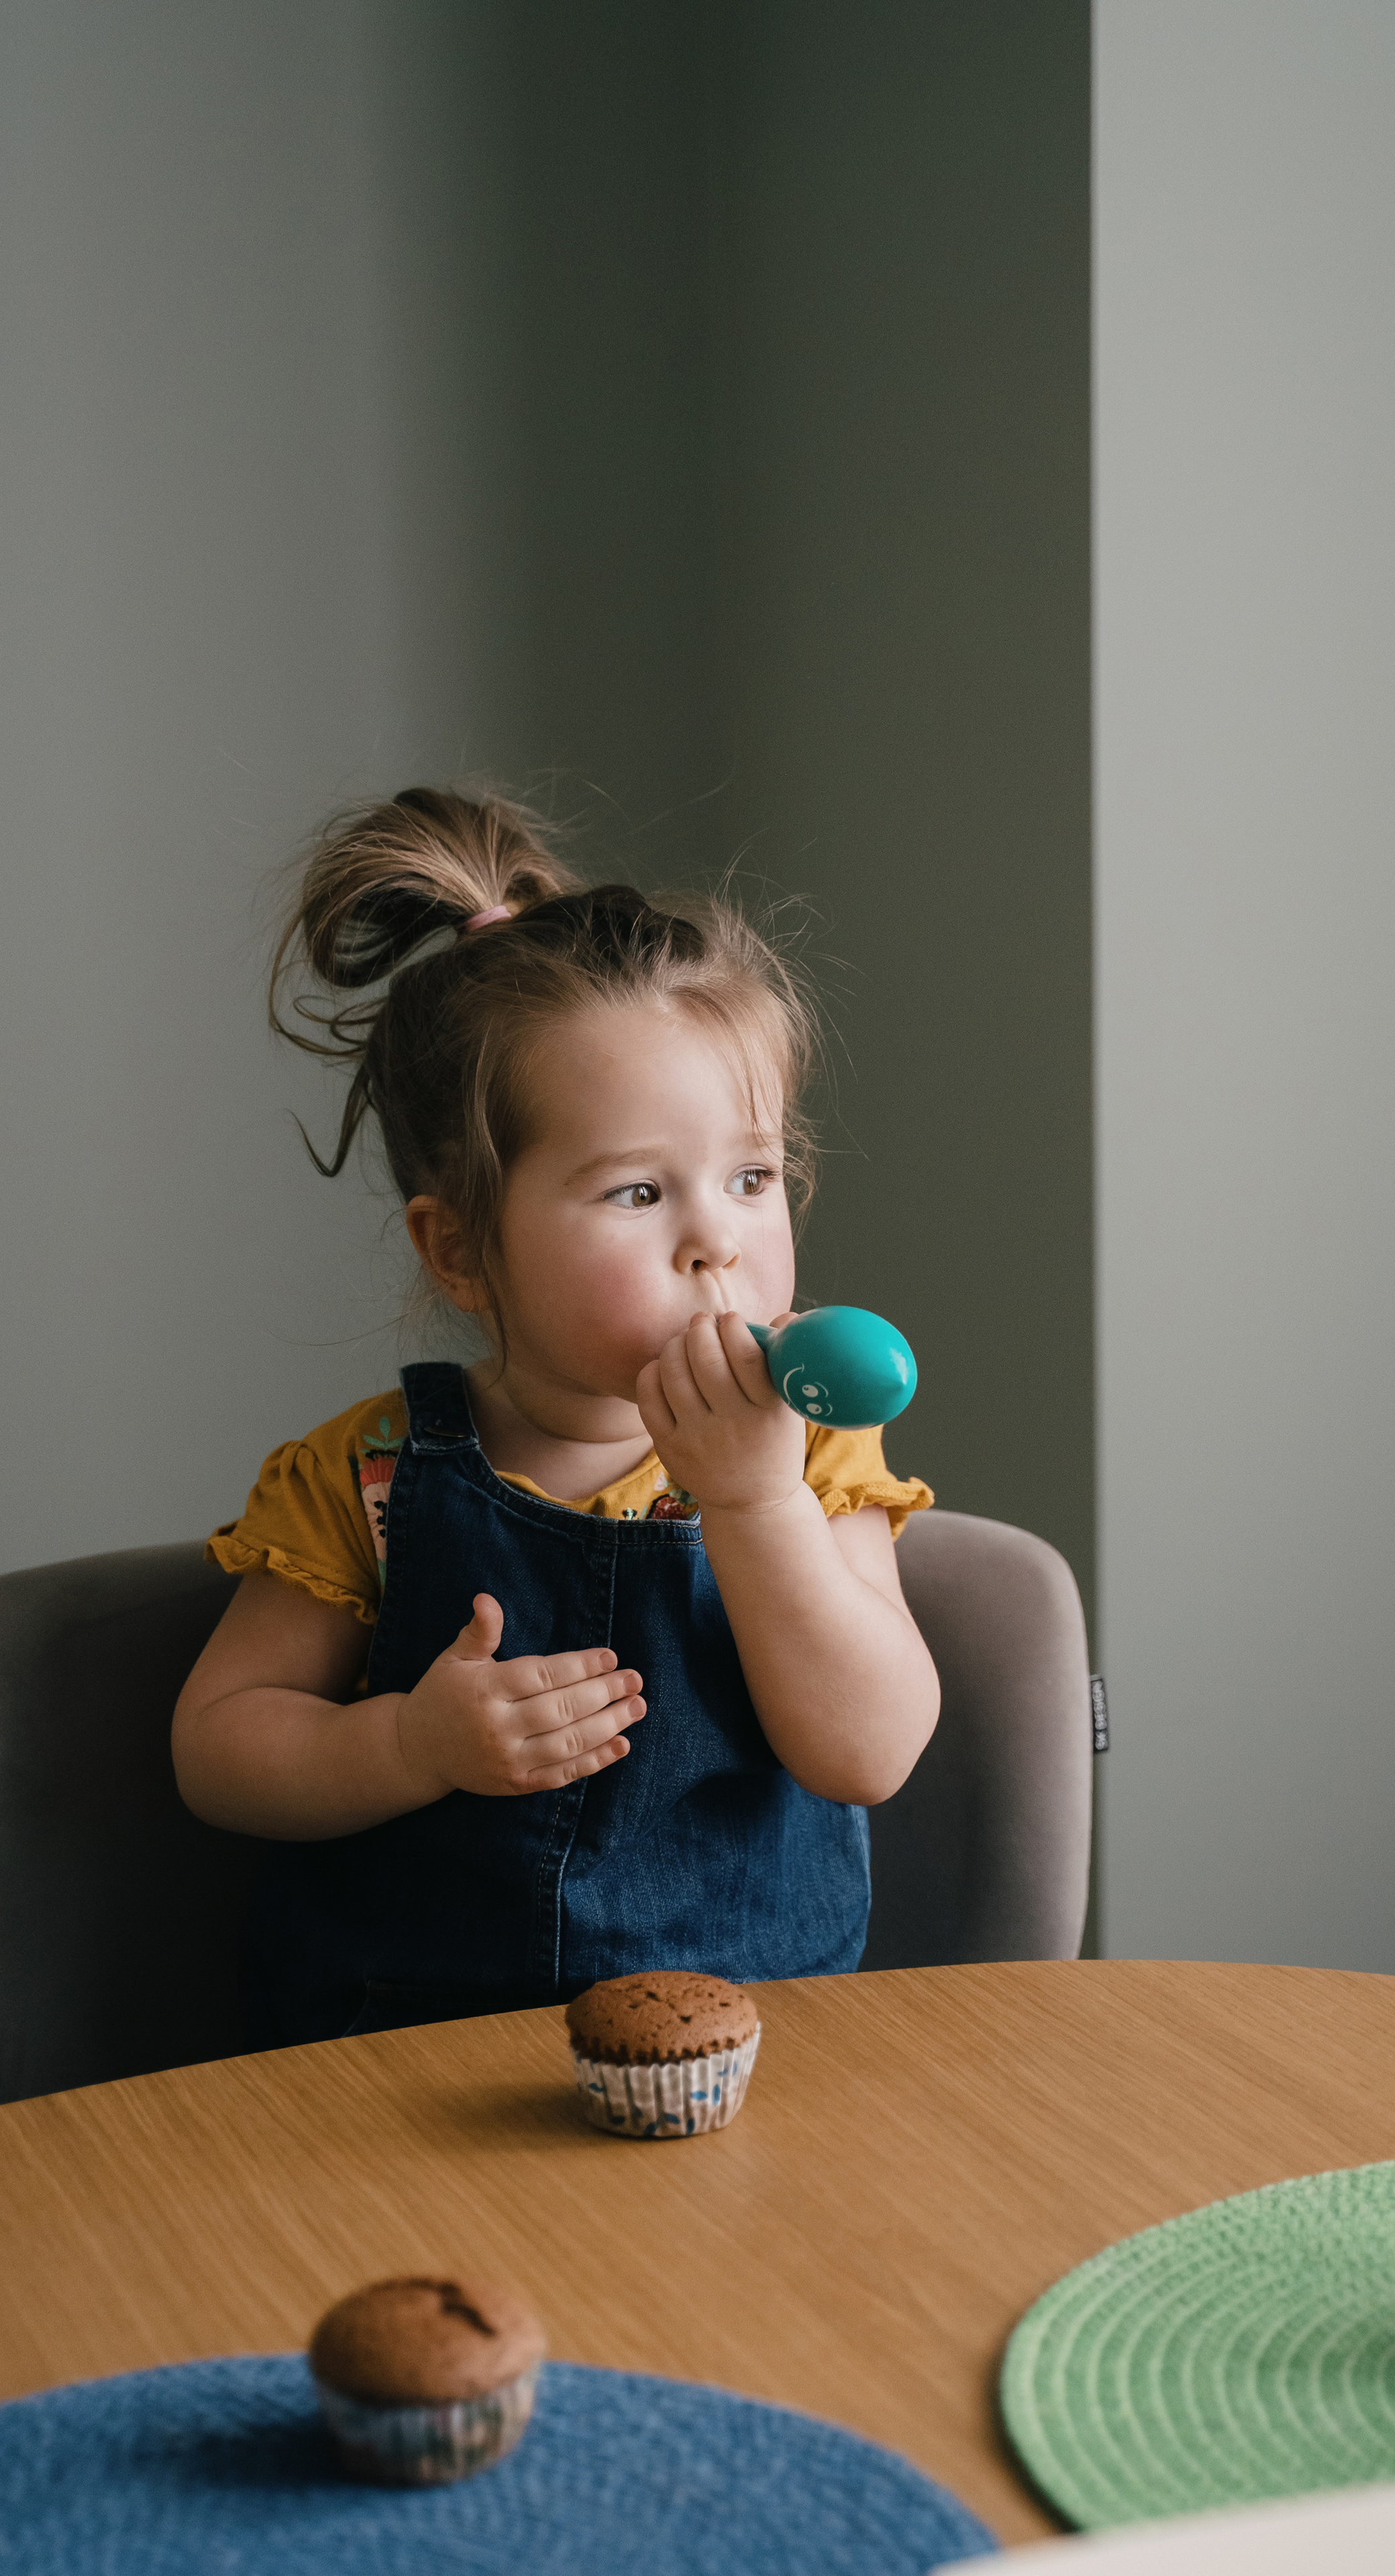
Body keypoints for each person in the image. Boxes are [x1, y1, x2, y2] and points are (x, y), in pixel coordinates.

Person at [172, 786, 941, 2046]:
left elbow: (869, 1752)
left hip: (749, 2042)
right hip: (407, 2058)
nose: (717, 1244)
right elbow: (220, 1746)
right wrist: (407, 1746)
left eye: (752, 1177)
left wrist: (755, 1501)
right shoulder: (364, 1474)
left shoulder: (810, 1455)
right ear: (463, 1252)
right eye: (639, 1192)